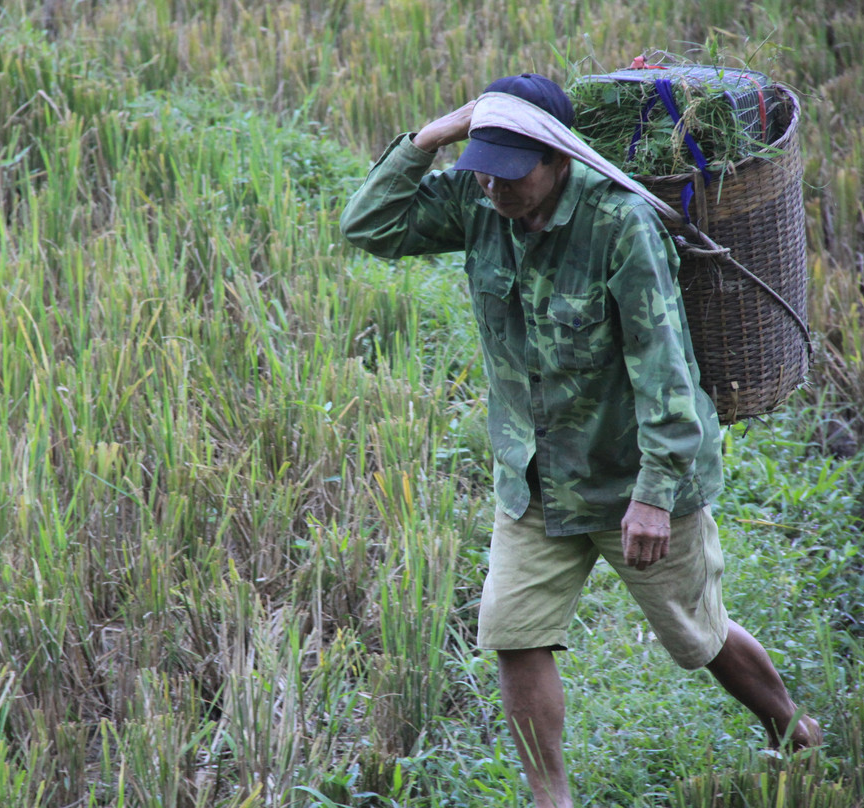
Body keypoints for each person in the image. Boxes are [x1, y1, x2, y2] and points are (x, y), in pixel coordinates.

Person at [339, 73, 821, 807]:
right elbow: (368, 225)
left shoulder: (619, 224)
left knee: (699, 636)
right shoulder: (479, 209)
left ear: (560, 159)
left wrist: (655, 498)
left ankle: (791, 729)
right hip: (534, 477)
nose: (497, 189)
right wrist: (437, 134)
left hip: (630, 475)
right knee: (515, 633)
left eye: (513, 173)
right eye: (485, 170)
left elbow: (664, 371)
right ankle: (550, 800)